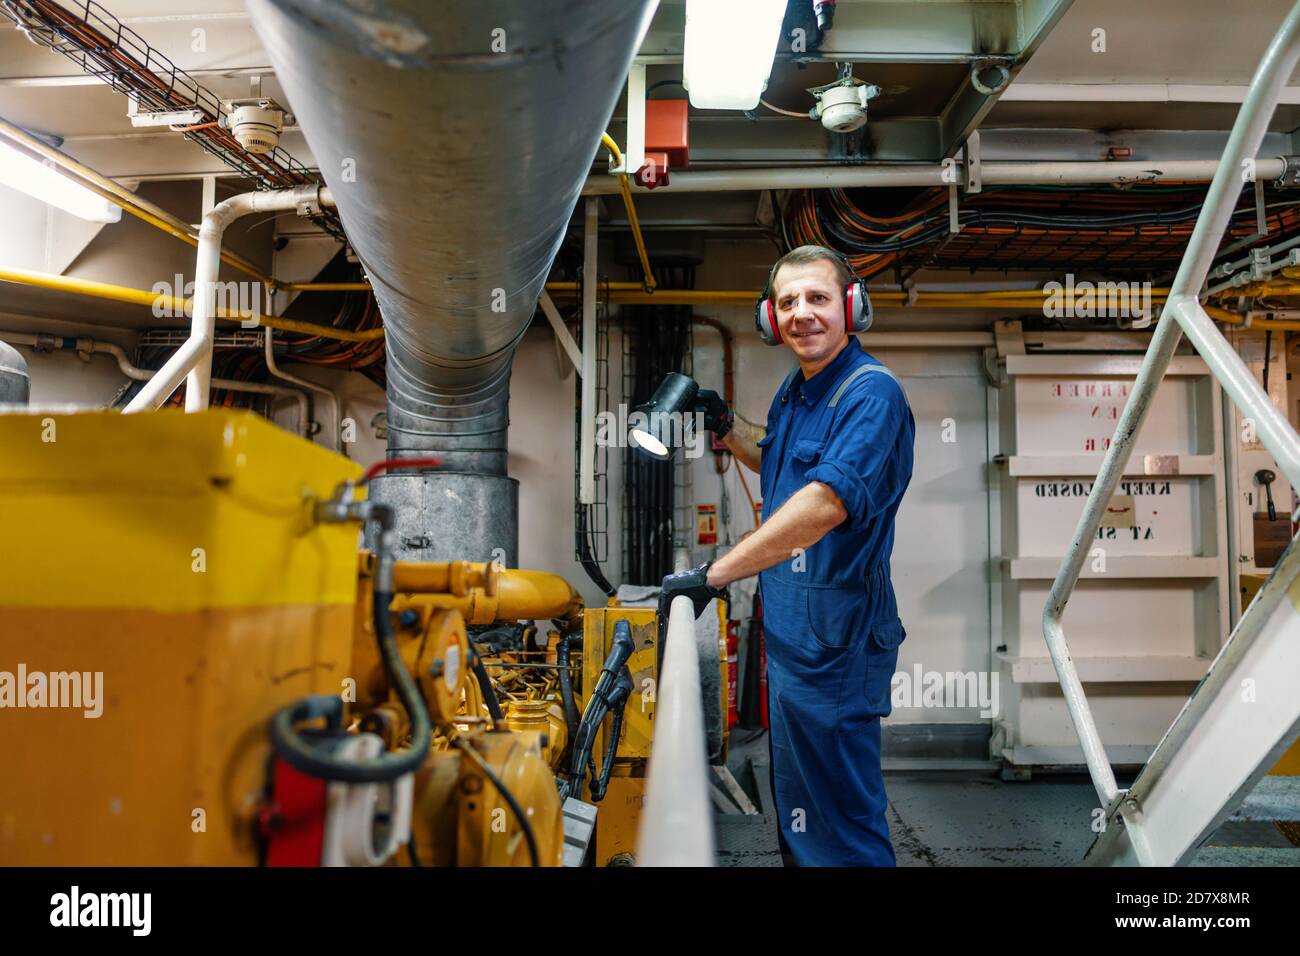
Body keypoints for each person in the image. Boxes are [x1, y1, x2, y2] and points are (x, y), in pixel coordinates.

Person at [659, 244, 915, 866]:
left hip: (838, 641)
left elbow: (824, 503)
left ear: (852, 308)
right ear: (771, 317)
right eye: (788, 301)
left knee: (843, 818)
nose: (802, 313)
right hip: (797, 639)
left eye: (818, 299)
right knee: (803, 808)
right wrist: (722, 421)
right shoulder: (795, 392)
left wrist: (712, 575)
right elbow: (776, 458)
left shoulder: (870, 394)